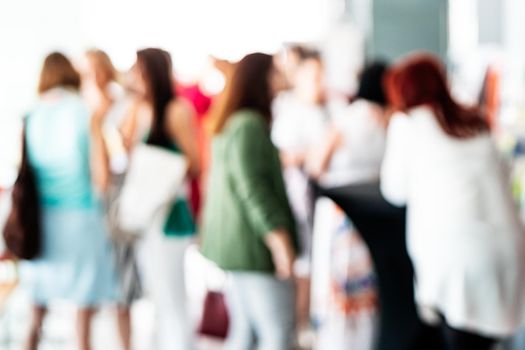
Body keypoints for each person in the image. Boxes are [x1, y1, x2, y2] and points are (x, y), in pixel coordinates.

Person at [380, 53, 525, 350]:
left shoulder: (406, 123)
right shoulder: (475, 121)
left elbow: (394, 191)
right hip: (508, 250)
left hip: (456, 260)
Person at [201, 52, 298, 350]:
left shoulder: (235, 121)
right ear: (261, 79)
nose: (282, 78)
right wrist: (279, 240)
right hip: (252, 247)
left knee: (246, 330)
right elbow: (253, 188)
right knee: (277, 331)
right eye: (276, 72)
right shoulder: (249, 124)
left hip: (238, 245)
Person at [22, 52, 117, 350]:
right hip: (81, 217)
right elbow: (101, 177)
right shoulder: (83, 110)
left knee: (37, 309)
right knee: (83, 316)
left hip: (42, 219)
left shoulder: (32, 112)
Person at [120, 48, 200, 350]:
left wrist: (162, 166)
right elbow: (124, 146)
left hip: (169, 213)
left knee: (173, 298)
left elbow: (194, 163)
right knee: (157, 297)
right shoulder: (140, 109)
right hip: (145, 215)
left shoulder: (177, 110)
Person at [306, 62, 390, 350]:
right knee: (368, 291)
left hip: (341, 215)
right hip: (378, 217)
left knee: (338, 288)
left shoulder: (347, 119)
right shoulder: (388, 121)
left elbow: (315, 164)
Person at [81, 48, 140, 350]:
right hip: (88, 207)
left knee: (121, 287)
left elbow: (116, 164)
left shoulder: (121, 106)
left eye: (95, 69)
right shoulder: (81, 109)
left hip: (115, 201)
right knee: (88, 291)